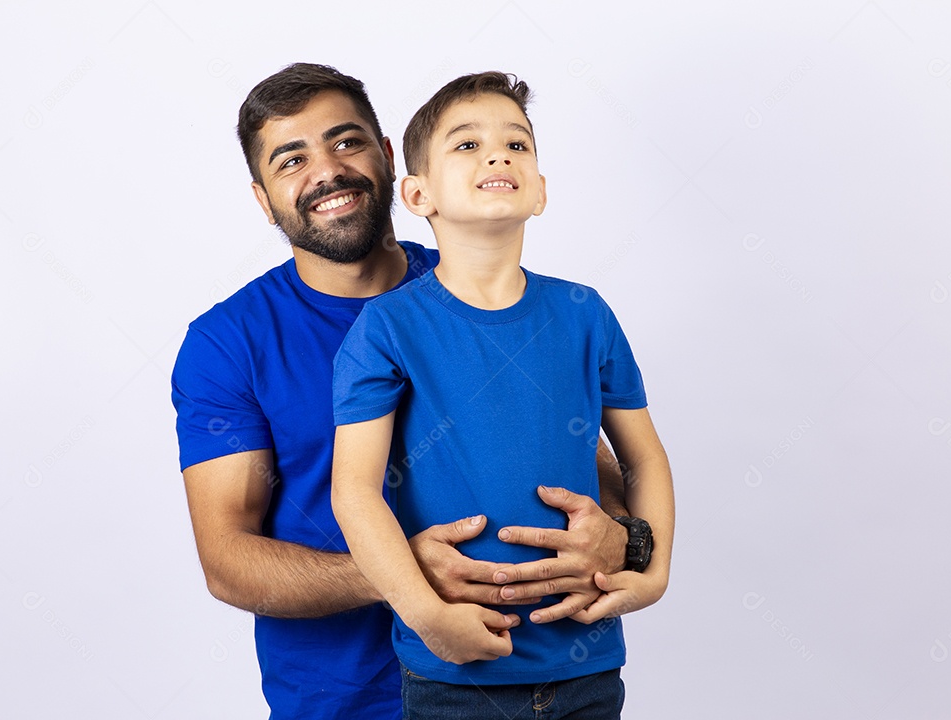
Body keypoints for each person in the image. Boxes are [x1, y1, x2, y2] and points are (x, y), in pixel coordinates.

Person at [171, 63, 641, 720]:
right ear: (263, 198)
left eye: (346, 141)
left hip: (528, 688)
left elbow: (584, 462)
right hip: (343, 703)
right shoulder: (228, 344)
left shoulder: (476, 295)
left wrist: (623, 536)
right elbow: (228, 560)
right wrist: (399, 575)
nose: (328, 171)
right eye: (291, 160)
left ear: (391, 158)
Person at [331, 72, 674, 719]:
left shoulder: (585, 313)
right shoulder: (387, 329)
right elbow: (354, 490)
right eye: (467, 144)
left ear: (540, 190)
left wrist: (651, 571)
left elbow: (644, 459)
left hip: (588, 670)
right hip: (456, 678)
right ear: (417, 193)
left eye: (517, 144)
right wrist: (428, 616)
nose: (498, 155)